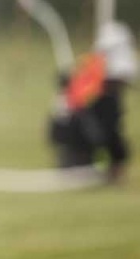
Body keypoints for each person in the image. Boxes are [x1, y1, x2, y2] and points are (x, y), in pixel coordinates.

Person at [50, 20, 135, 181]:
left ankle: (107, 165)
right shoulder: (91, 72)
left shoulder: (92, 71)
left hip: (83, 130)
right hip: (76, 133)